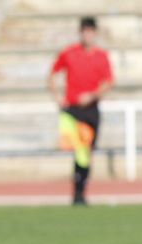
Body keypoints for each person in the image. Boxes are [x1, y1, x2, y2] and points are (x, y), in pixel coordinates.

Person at [48, 17, 114, 206]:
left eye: (91, 31)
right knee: (79, 150)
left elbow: (109, 82)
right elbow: (52, 74)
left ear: (95, 33)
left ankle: (80, 190)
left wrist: (92, 95)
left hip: (91, 109)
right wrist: (57, 96)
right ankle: (77, 191)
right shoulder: (69, 53)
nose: (88, 35)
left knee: (86, 152)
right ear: (81, 33)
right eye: (85, 31)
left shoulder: (101, 56)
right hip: (73, 110)